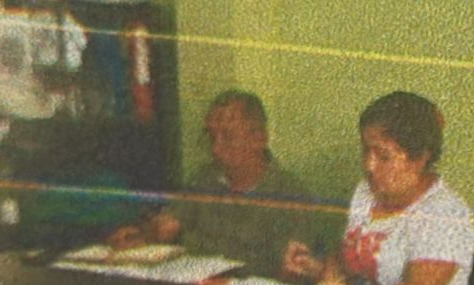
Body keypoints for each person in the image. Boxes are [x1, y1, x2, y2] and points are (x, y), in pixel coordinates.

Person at [280, 91, 474, 285]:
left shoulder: (446, 211)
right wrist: (321, 272)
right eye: (366, 151)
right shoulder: (366, 191)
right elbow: (346, 255)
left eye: (383, 156)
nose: (369, 166)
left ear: (420, 159)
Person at [106, 90, 316, 274]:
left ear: (259, 138)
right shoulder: (205, 179)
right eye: (212, 138)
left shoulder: (290, 194)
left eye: (228, 137)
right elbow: (167, 226)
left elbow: (292, 270)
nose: (215, 149)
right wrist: (140, 235)